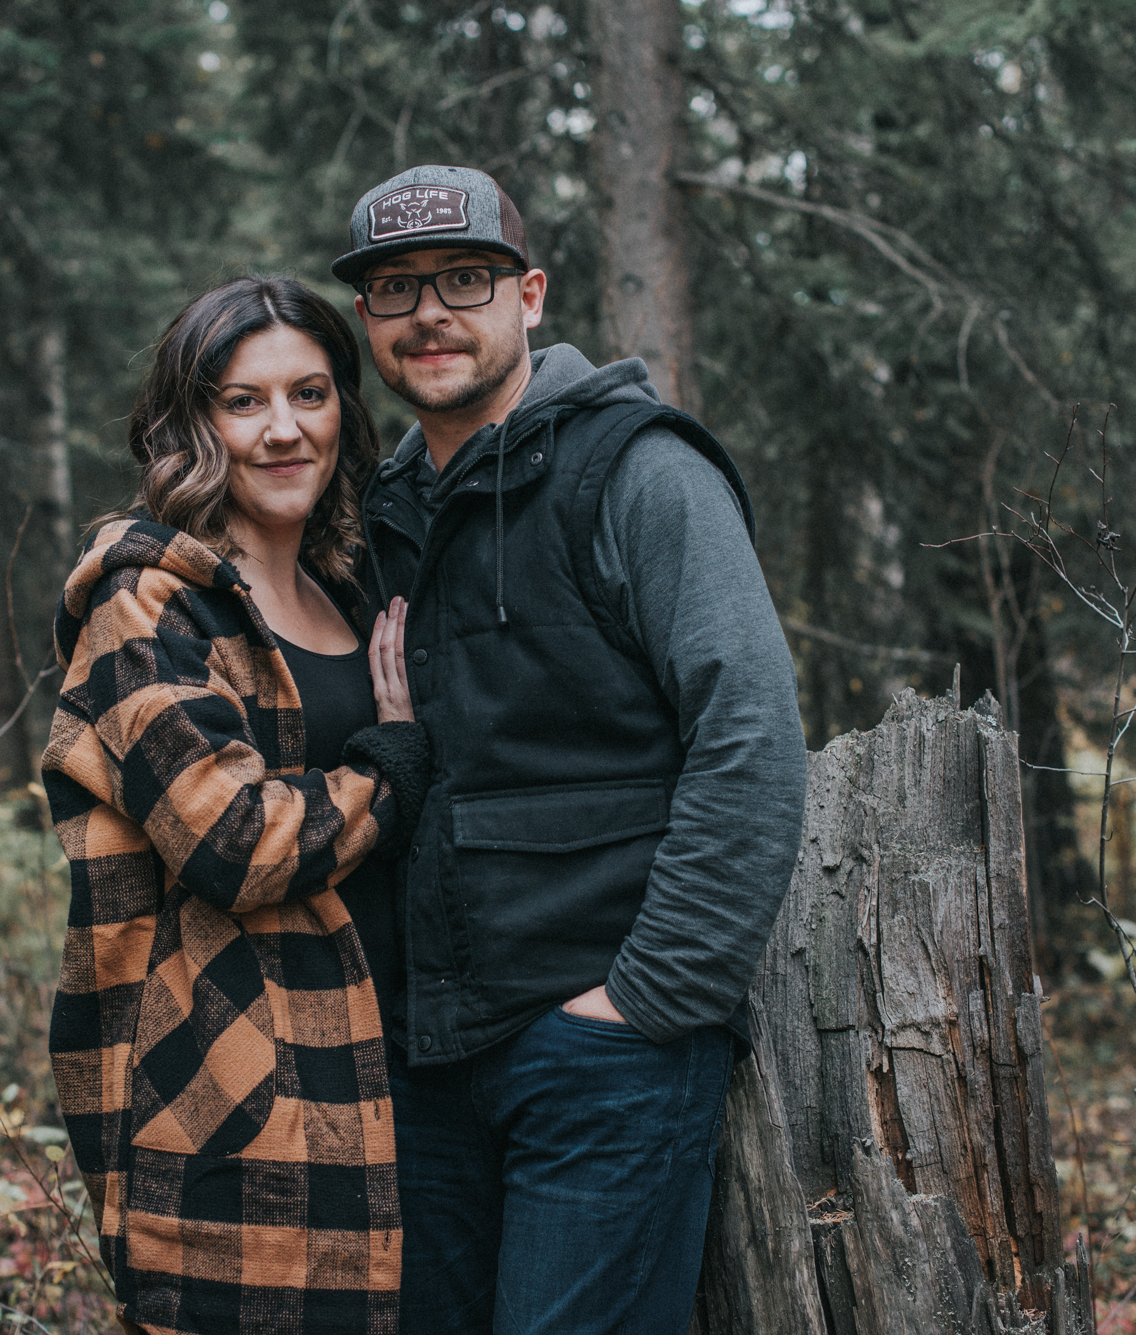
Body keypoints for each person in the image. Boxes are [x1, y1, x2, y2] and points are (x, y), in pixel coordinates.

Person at [333, 165, 809, 1333]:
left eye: (463, 279)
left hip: (604, 1052)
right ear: (365, 319)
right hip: (425, 1061)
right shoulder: (380, 512)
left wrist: (650, 999)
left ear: (529, 295)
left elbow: (748, 733)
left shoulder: (639, 471)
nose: (428, 314)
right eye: (395, 289)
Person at [40, 276, 430, 1335]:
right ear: (193, 424)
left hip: (393, 1074)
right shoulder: (148, 607)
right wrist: (386, 769)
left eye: (309, 393)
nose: (283, 429)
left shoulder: (349, 586)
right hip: (232, 1094)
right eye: (243, 401)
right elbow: (231, 839)